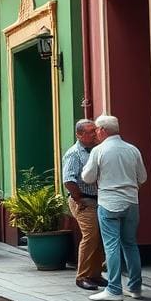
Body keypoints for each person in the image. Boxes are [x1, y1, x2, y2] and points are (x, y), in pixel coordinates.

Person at [82, 114, 148, 301]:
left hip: (109, 202)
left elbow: (87, 177)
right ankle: (135, 287)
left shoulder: (99, 151)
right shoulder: (132, 149)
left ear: (102, 130)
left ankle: (114, 289)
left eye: (96, 129)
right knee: (130, 244)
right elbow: (142, 177)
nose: (95, 133)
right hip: (131, 202)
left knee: (111, 246)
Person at [62, 119, 106, 291]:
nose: (95, 133)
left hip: (97, 199)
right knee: (90, 236)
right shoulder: (74, 153)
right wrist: (78, 198)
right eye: (90, 131)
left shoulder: (96, 149)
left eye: (95, 130)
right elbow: (68, 180)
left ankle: (95, 274)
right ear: (79, 135)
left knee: (97, 236)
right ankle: (82, 276)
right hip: (84, 200)